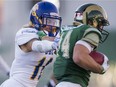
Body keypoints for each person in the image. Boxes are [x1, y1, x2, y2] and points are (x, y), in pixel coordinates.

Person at [0, 1, 62, 87]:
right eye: (48, 21)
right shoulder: (25, 32)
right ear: (37, 19)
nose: (52, 25)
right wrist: (54, 44)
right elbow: (35, 45)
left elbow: (61, 64)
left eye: (54, 22)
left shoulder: (54, 37)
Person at [53, 3, 110, 87]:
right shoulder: (89, 30)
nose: (101, 27)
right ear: (92, 20)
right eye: (100, 23)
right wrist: (99, 68)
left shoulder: (64, 31)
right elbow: (79, 57)